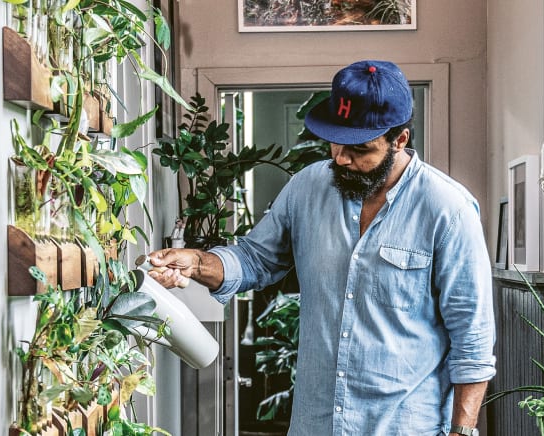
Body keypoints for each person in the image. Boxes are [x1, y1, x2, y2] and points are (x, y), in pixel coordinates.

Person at [148, 60, 496, 436]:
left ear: (400, 140)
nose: (341, 158)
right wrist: (197, 262)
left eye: (359, 149)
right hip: (317, 423)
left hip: (407, 425)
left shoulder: (448, 210)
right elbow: (255, 259)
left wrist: (463, 431)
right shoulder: (307, 188)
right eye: (336, 142)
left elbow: (472, 339)